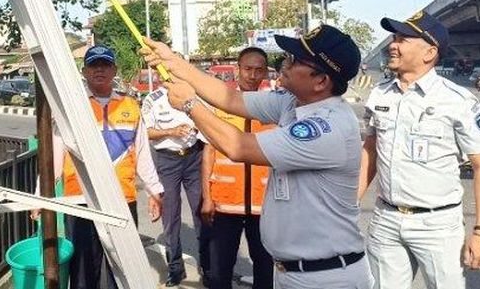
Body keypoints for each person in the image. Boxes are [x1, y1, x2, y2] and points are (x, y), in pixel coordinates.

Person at [142, 25, 372, 289]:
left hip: (326, 278)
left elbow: (238, 146)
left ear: (320, 81)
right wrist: (173, 62)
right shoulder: (294, 103)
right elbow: (229, 98)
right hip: (294, 272)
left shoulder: (326, 128)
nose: (284, 63)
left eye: (295, 60)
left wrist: (190, 105)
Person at [360, 10, 480, 289]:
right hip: (386, 220)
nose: (392, 45)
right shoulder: (379, 94)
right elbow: (370, 152)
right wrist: (350, 206)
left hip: (437, 225)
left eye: (402, 39)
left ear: (429, 52)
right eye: (394, 37)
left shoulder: (457, 100)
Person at [34, 45, 163, 289]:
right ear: (85, 71)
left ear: (114, 70)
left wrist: (154, 191)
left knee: (123, 269)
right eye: (94, 65)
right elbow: (55, 154)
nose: (100, 69)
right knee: (83, 271)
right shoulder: (72, 110)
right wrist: (42, 195)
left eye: (105, 64)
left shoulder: (131, 107)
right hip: (81, 200)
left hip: (122, 200)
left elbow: (143, 153)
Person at [200, 47, 274, 289]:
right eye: (247, 69)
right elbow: (208, 153)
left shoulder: (274, 107)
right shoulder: (221, 104)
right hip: (224, 205)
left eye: (258, 70)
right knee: (219, 272)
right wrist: (207, 198)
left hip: (264, 206)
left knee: (266, 269)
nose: (252, 75)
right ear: (237, 70)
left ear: (266, 72)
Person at [141, 82, 208, 286]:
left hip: (194, 157)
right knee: (171, 217)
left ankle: (208, 266)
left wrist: (198, 128)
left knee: (201, 213)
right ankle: (175, 268)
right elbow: (146, 132)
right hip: (167, 160)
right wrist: (171, 131)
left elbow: (208, 121)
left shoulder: (194, 94)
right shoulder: (153, 99)